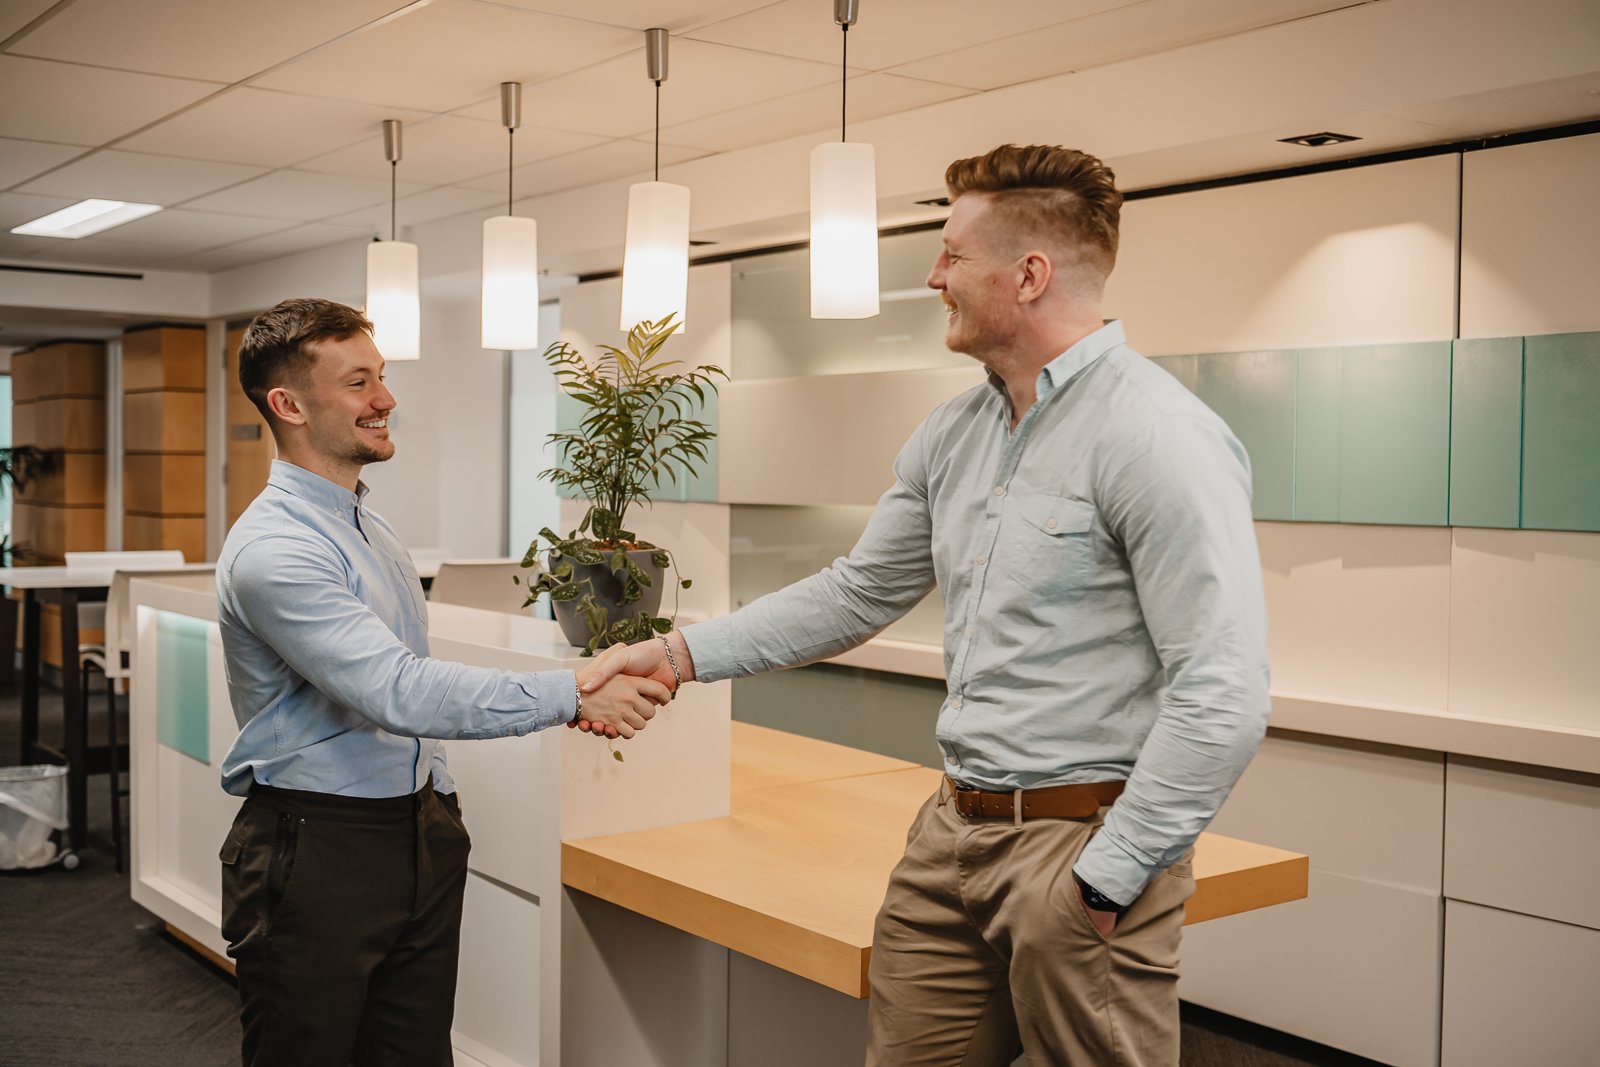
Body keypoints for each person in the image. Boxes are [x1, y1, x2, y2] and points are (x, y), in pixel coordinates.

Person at [584, 144, 1271, 1065]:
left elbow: (1221, 690)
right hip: (952, 835)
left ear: (1028, 275)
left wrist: (1106, 881)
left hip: (1082, 844)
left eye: (952, 253)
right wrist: (675, 654)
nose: (932, 274)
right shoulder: (956, 430)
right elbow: (858, 591)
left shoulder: (1157, 437)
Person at [215, 297, 669, 1067]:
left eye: (382, 377)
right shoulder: (273, 550)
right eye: (359, 382)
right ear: (288, 404)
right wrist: (571, 693)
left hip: (417, 831)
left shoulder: (370, 525)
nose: (386, 399)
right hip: (317, 843)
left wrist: (440, 802)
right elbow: (400, 689)